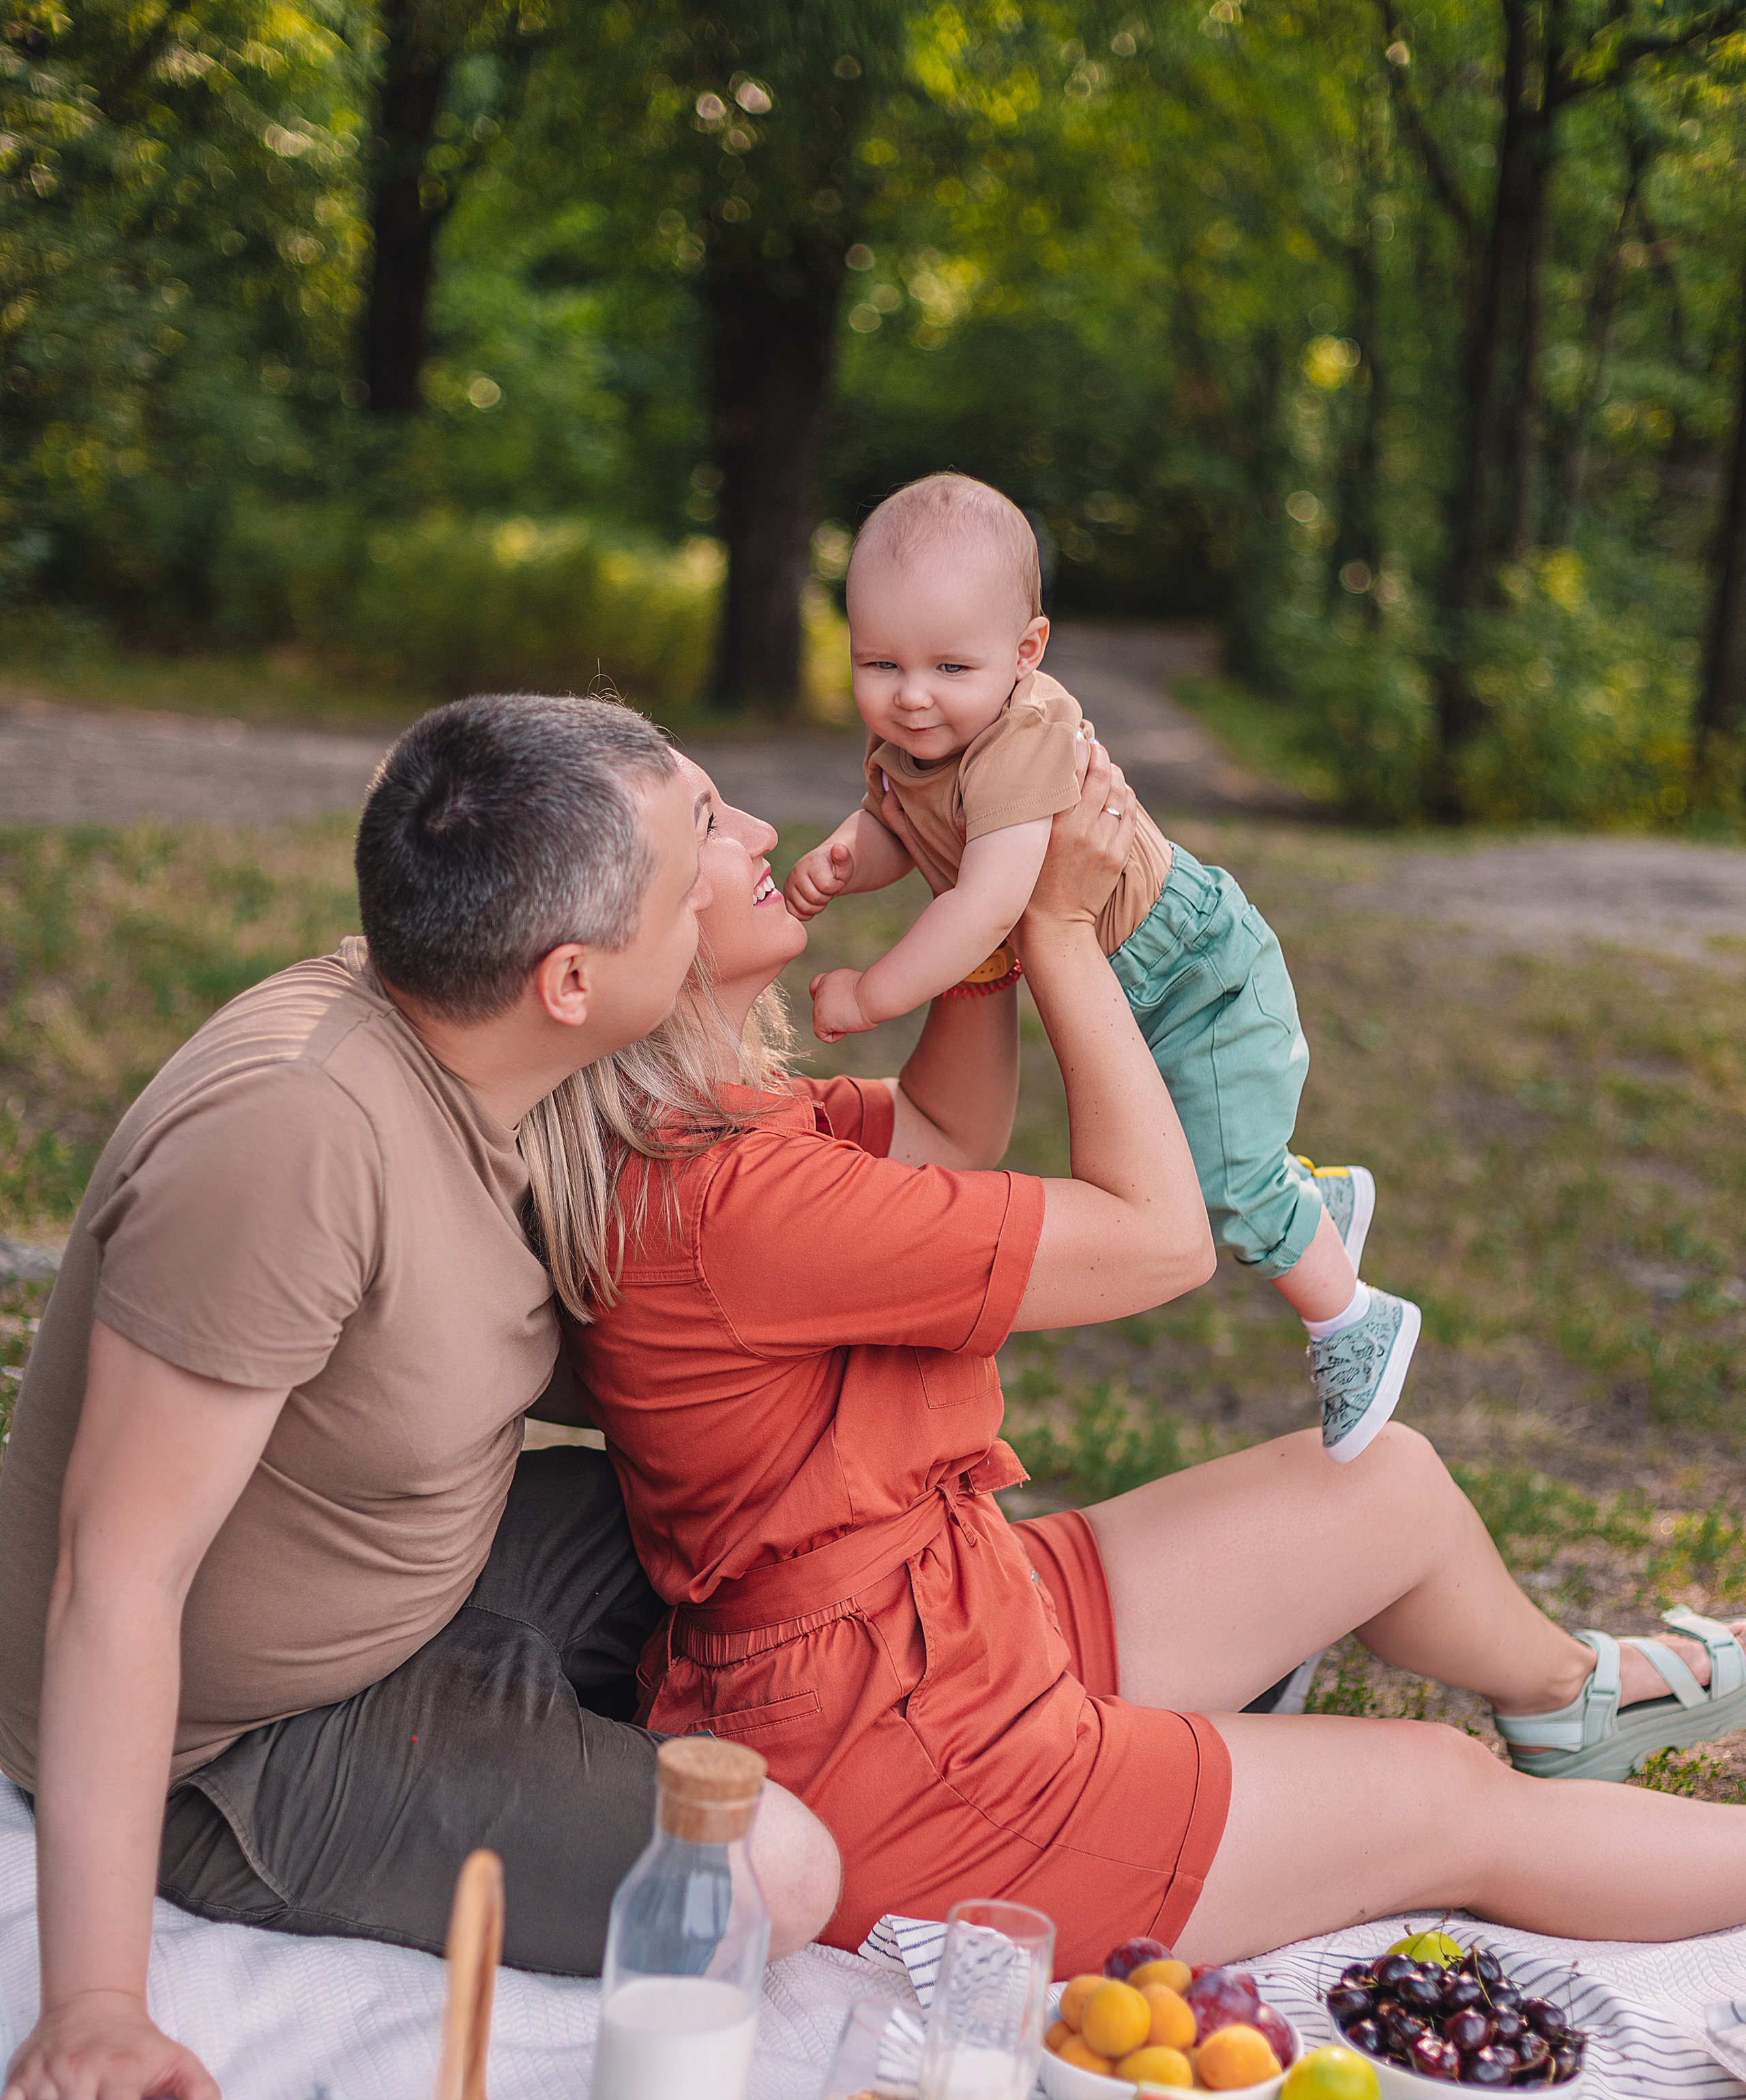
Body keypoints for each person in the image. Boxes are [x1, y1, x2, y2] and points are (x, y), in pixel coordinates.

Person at [535, 724, 1746, 1974]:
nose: (760, 835)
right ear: (622, 960)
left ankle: (1569, 1701)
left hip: (941, 1613)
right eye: (710, 836)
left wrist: (986, 909)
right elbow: (1163, 1240)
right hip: (898, 1760)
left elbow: (951, 1127)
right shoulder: (734, 1209)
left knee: (1388, 1486)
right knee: (1450, 1795)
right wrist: (1061, 935)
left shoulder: (722, 1131)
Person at [0, 695, 842, 2100]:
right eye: (705, 831)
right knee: (764, 1879)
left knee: (802, 1525)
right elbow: (112, 1577)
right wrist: (94, 2008)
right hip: (243, 1742)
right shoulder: (292, 1136)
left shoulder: (495, 1045)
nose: (753, 839)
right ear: (569, 976)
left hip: (432, 1554)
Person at [784, 473, 1419, 1464]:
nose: (910, 695)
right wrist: (848, 857)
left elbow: (991, 901)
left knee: (1222, 1188)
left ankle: (1356, 1319)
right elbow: (900, 825)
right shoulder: (926, 726)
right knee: (1212, 1157)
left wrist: (875, 992)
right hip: (1124, 987)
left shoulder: (1025, 734)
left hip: (1197, 971)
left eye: (950, 665)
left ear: (1026, 651)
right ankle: (1316, 1202)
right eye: (880, 663)